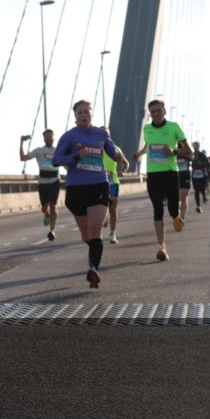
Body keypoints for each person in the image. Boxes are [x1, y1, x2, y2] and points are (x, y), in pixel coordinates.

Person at [51, 101, 128, 288]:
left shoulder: (101, 134)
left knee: (96, 232)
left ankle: (93, 269)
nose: (84, 115)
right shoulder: (69, 137)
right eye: (80, 112)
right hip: (76, 190)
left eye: (87, 111)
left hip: (99, 185)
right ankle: (93, 252)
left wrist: (121, 160)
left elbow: (111, 150)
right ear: (75, 116)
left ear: (92, 114)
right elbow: (56, 160)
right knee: (87, 237)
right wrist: (77, 156)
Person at [132, 99, 189, 262]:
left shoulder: (174, 127)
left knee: (172, 209)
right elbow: (147, 146)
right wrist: (139, 154)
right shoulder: (147, 128)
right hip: (153, 175)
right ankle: (161, 246)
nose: (156, 114)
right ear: (150, 114)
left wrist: (173, 151)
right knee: (157, 209)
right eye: (153, 111)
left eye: (159, 110)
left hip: (170, 174)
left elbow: (187, 150)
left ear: (164, 111)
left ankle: (176, 217)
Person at [20, 129, 61, 242]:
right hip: (43, 183)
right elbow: (23, 158)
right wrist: (21, 143)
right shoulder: (39, 151)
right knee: (44, 208)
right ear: (44, 139)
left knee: (53, 205)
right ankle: (46, 214)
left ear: (54, 138)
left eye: (51, 137)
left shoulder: (58, 151)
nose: (49, 139)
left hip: (54, 182)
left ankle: (52, 230)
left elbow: (66, 164)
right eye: (47, 137)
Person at [100, 128, 127, 244]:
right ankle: (102, 220)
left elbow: (126, 163)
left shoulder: (116, 149)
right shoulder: (95, 148)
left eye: (105, 133)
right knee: (101, 207)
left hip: (113, 180)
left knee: (113, 209)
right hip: (99, 180)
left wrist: (123, 170)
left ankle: (112, 233)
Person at [175, 139, 194, 223]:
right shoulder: (171, 149)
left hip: (185, 176)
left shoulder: (185, 149)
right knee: (177, 199)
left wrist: (185, 153)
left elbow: (191, 157)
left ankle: (182, 217)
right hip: (174, 177)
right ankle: (178, 213)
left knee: (184, 197)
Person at [190, 141, 210, 213]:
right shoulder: (191, 154)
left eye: (196, 146)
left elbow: (208, 164)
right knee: (196, 190)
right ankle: (198, 206)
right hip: (194, 175)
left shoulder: (202, 155)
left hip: (202, 175)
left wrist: (201, 163)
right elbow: (187, 161)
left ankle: (204, 196)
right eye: (194, 146)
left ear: (198, 146)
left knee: (202, 189)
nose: (195, 147)